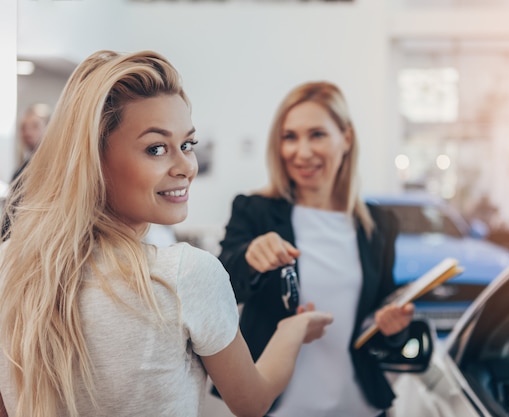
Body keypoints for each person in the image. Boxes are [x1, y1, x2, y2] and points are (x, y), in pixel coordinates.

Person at [0, 50, 333, 417]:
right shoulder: (184, 275)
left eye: (187, 145)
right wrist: (293, 331)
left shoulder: (10, 265)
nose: (185, 167)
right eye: (156, 148)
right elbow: (251, 402)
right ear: (94, 160)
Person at [218, 81, 414, 416]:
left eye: (317, 135)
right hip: (278, 406)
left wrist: (395, 328)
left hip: (359, 405)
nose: (302, 151)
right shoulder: (256, 210)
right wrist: (251, 256)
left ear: (346, 139)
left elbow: (380, 311)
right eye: (289, 137)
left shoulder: (378, 225)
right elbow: (221, 287)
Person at [12, 103, 51, 181]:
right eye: (23, 128)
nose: (28, 132)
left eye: (35, 126)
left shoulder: (53, 167)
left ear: (48, 128)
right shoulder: (21, 170)